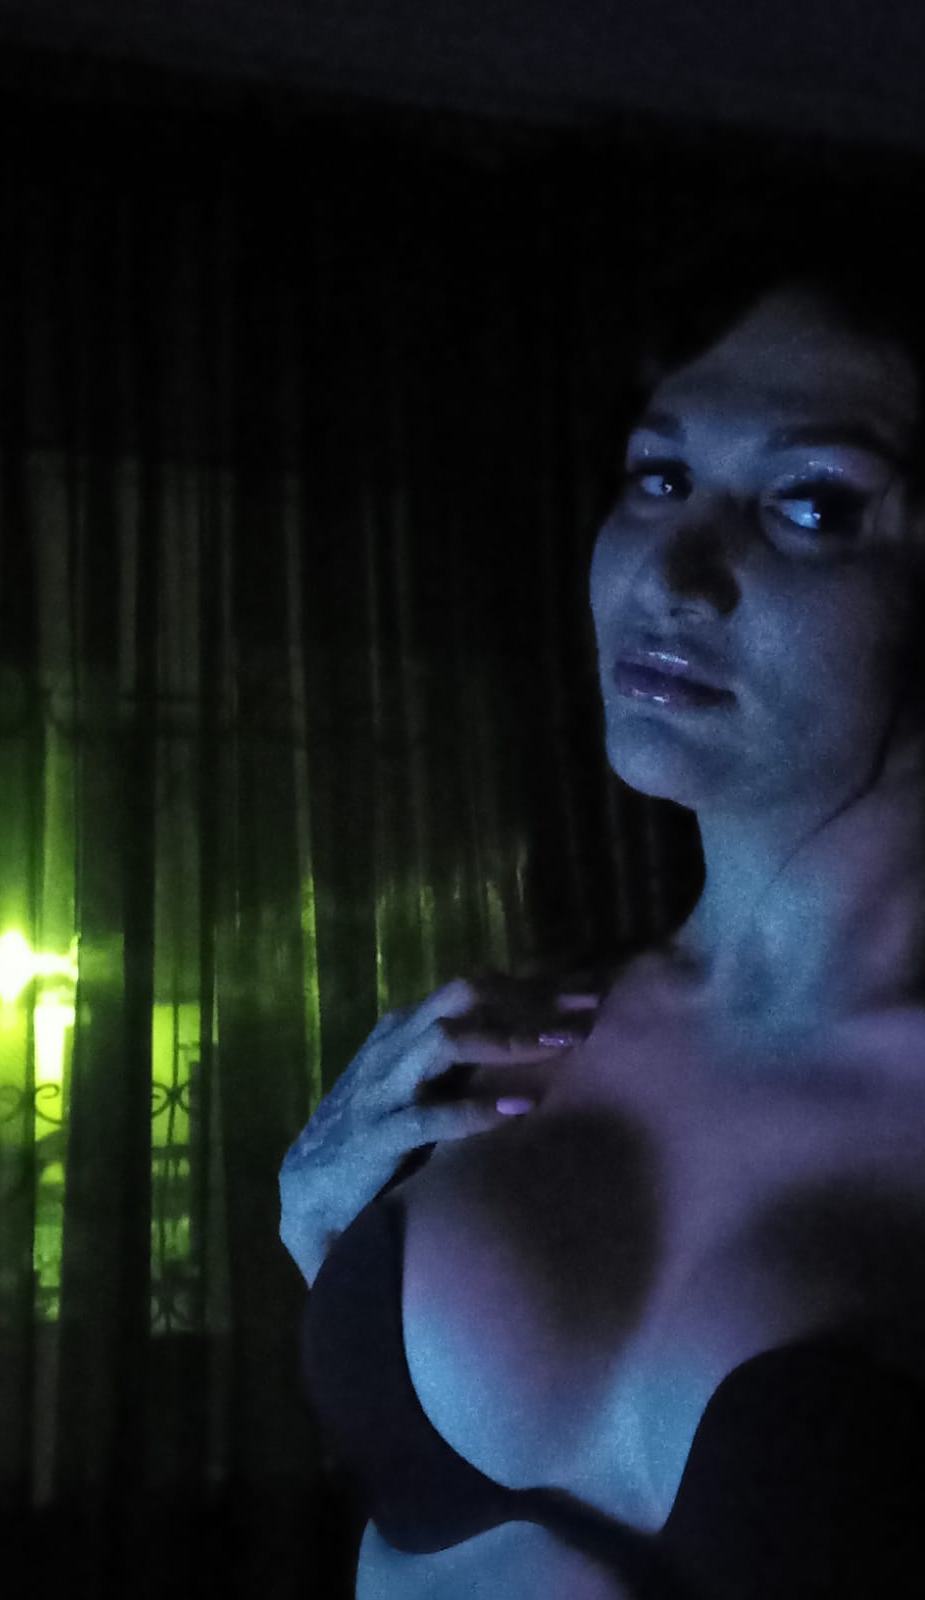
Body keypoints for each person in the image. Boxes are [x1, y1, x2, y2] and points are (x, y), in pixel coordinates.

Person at [281, 223, 925, 1597]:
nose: (670, 574)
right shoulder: (522, 1037)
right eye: (660, 476)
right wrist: (329, 1253)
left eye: (812, 504)